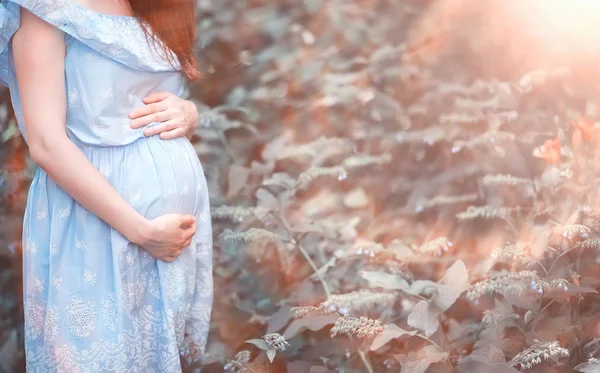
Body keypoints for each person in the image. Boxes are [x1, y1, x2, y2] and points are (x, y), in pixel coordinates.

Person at [0, 0, 213, 371]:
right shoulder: (44, 7)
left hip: (166, 241)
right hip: (94, 223)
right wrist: (142, 231)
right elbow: (46, 144)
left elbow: (147, 94)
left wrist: (189, 112)